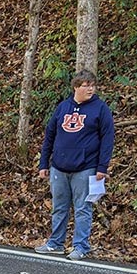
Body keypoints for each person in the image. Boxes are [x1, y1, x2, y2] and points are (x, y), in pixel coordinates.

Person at [35, 69, 115, 261]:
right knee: (59, 207)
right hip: (59, 167)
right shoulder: (63, 107)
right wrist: (43, 163)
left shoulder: (100, 109)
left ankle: (81, 246)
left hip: (86, 167)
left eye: (92, 85)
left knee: (82, 208)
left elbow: (108, 138)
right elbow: (50, 135)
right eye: (86, 85)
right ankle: (55, 243)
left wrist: (102, 167)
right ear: (76, 87)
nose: (90, 89)